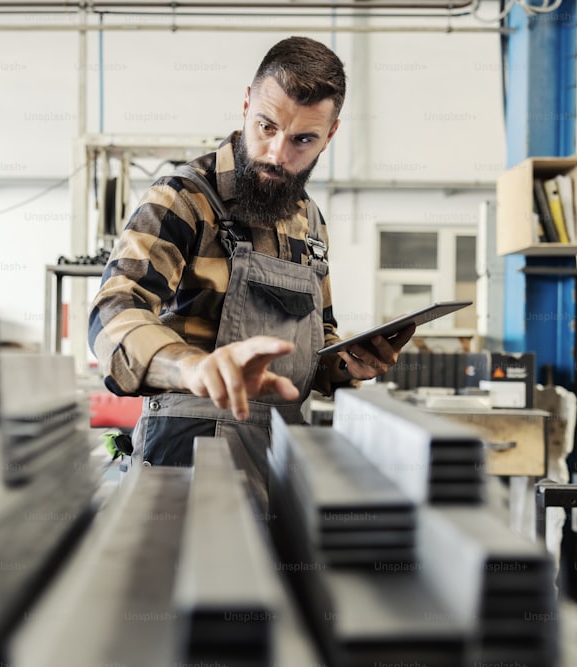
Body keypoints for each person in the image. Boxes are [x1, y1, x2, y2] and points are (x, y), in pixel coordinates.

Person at [88, 36, 414, 508]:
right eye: (266, 126)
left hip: (281, 451)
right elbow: (113, 313)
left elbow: (317, 340)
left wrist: (347, 363)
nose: (277, 154)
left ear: (332, 133)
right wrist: (193, 366)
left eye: (304, 140)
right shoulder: (184, 198)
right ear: (246, 104)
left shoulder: (310, 220)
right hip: (188, 448)